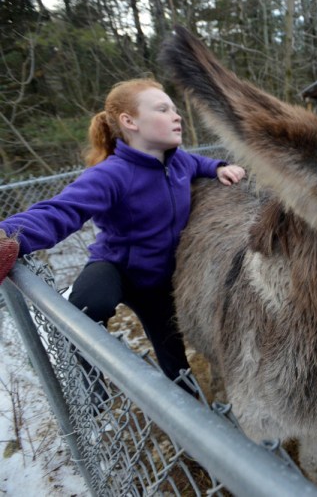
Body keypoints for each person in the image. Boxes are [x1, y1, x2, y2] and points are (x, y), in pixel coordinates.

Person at [0, 78, 246, 390]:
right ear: (129, 122)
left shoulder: (180, 160)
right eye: (162, 109)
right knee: (87, 304)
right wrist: (9, 234)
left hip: (160, 281)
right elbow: (62, 209)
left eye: (174, 108)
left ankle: (188, 414)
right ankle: (91, 388)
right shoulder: (111, 173)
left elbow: (199, 162)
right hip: (116, 266)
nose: (177, 115)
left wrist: (219, 167)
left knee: (175, 359)